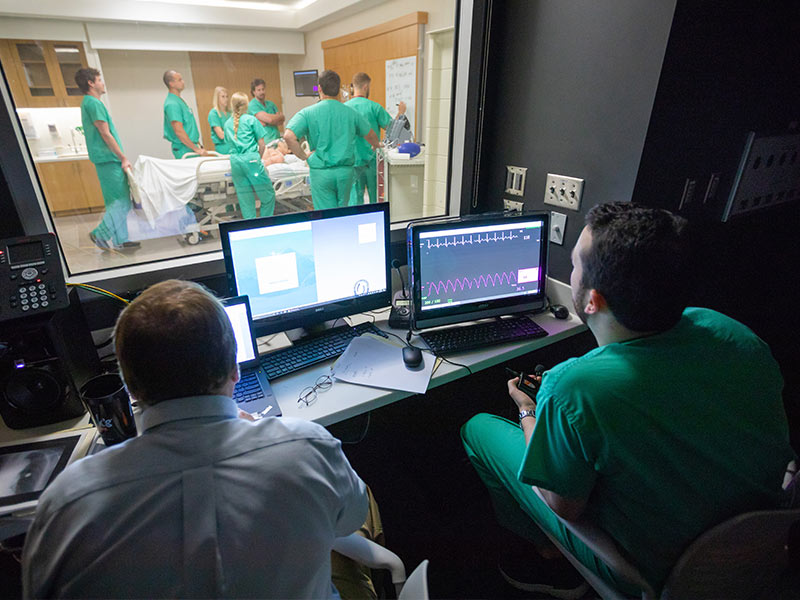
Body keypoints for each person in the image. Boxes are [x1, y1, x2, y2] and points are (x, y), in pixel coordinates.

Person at [461, 202, 795, 598]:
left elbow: (561, 505)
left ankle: (548, 556)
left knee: (477, 429)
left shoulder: (573, 387)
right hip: (757, 543)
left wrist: (528, 410)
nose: (571, 273)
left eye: (574, 266)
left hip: (655, 570)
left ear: (591, 301)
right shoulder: (732, 333)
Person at [22, 279, 383, 599]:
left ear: (129, 386)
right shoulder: (308, 448)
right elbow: (349, 520)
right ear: (234, 369)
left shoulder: (67, 503)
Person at [284, 70, 379, 210]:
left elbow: (288, 136)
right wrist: (375, 144)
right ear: (339, 90)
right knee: (342, 212)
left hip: (321, 173)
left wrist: (304, 157)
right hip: (345, 174)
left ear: (320, 88)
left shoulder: (308, 113)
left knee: (327, 217)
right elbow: (370, 134)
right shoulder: (350, 112)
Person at [75, 68, 138, 251]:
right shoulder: (93, 103)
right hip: (108, 159)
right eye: (99, 80)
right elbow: (105, 133)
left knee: (115, 201)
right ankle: (100, 233)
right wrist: (123, 157)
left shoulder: (89, 103)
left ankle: (120, 240)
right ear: (91, 83)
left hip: (106, 159)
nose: (102, 83)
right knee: (122, 201)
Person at [346, 72, 405, 205]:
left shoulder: (345, 109)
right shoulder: (374, 107)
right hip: (372, 162)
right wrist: (400, 113)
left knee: (355, 202)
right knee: (376, 201)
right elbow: (394, 131)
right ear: (366, 87)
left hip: (352, 163)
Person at [223, 92, 275, 219]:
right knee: (268, 196)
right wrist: (258, 158)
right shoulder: (251, 120)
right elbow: (262, 145)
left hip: (235, 163)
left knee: (246, 201)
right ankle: (265, 225)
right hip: (251, 161)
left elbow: (228, 143)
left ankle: (250, 228)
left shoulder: (227, 124)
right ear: (246, 105)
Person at [162, 70, 207, 159]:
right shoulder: (172, 104)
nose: (183, 82)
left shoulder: (178, 101)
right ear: (171, 84)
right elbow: (179, 131)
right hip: (185, 149)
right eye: (180, 80)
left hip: (191, 146)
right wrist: (195, 149)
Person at [248, 78, 284, 144]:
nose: (262, 92)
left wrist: (266, 122)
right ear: (254, 92)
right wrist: (275, 118)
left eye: (263, 89)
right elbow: (270, 120)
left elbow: (281, 120)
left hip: (277, 140)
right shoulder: (252, 105)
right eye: (259, 90)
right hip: (265, 142)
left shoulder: (271, 104)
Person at [207, 86, 232, 154]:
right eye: (223, 97)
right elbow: (221, 135)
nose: (226, 99)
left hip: (233, 147)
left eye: (227, 96)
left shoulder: (230, 112)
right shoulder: (214, 114)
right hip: (223, 148)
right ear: (217, 98)